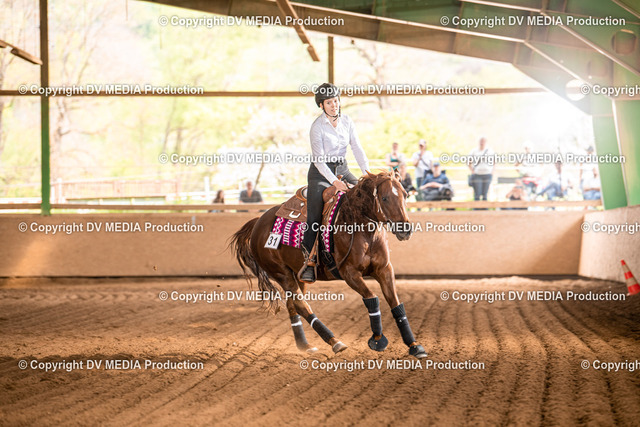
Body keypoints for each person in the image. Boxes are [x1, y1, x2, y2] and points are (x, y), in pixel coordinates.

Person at [299, 83, 370, 284]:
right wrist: (334, 182)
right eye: (329, 102)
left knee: (366, 197)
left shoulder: (347, 121)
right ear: (321, 105)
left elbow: (357, 148)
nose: (334, 105)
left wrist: (367, 174)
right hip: (320, 174)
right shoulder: (317, 126)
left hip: (343, 169)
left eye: (336, 101)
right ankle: (309, 260)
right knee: (314, 216)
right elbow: (319, 161)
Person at [468, 137, 494, 203]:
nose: (482, 143)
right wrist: (472, 171)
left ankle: (485, 208)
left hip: (487, 174)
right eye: (481, 141)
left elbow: (494, 162)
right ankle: (476, 208)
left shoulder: (490, 151)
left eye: (483, 141)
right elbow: (469, 162)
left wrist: (492, 172)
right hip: (477, 174)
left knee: (485, 194)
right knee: (477, 193)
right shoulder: (474, 151)